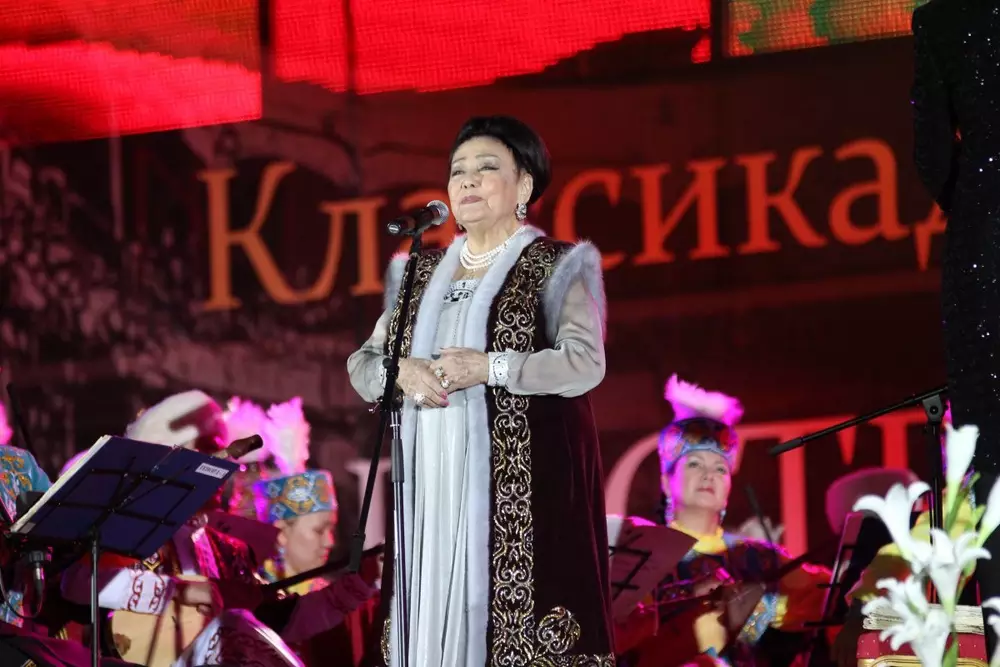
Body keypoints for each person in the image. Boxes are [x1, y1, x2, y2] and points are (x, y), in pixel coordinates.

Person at [347, 115, 613, 666]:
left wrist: (490, 367)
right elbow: (363, 364)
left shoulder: (555, 266)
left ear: (524, 185)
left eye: (487, 168)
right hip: (431, 488)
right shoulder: (418, 276)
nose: (467, 180)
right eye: (458, 171)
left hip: (522, 490)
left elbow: (584, 363)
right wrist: (401, 372)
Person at [59, 390, 374, 667]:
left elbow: (285, 621)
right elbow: (78, 583)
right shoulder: (139, 528)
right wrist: (181, 591)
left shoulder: (227, 550)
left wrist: (361, 582)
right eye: (213, 451)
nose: (227, 466)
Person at [616, 375, 828, 667]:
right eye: (695, 464)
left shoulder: (758, 557)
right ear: (666, 482)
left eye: (720, 468)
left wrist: (753, 610)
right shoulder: (643, 556)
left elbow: (825, 596)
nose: (709, 475)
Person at [911, 0, 1000, 652]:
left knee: (991, 455)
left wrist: (976, 201)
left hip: (984, 247)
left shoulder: (941, 19)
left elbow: (931, 154)